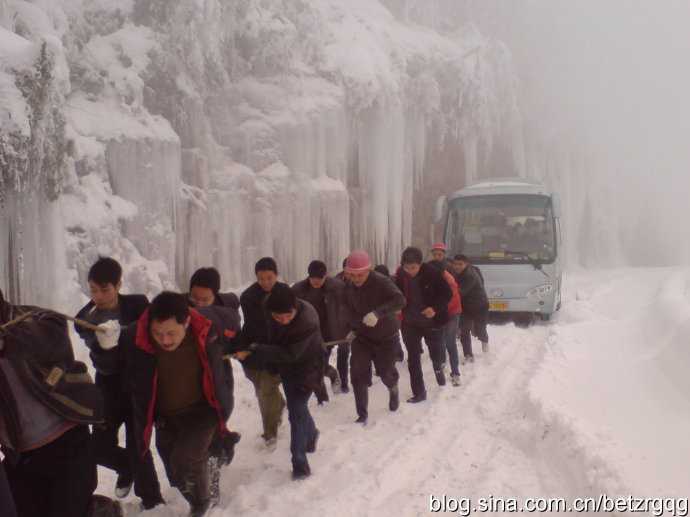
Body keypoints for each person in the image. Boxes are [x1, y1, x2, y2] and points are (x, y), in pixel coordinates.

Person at [0, 289, 122, 517]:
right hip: (21, 457)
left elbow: (54, 339)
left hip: (67, 443)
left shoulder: (29, 318)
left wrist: (10, 341)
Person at [123, 292, 233, 517]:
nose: (165, 340)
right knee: (175, 473)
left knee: (185, 459)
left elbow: (234, 319)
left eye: (171, 333)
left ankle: (203, 502)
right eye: (158, 333)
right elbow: (112, 364)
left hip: (202, 410)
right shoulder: (135, 337)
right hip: (166, 415)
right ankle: (209, 467)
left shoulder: (207, 329)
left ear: (187, 322)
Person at [74, 257, 162, 509]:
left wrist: (125, 331)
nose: (98, 296)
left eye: (105, 289)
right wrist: (106, 347)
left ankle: (153, 501)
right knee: (98, 447)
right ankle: (125, 466)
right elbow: (105, 364)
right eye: (93, 290)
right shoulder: (85, 319)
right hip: (108, 386)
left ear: (118, 285)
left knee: (139, 445)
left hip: (138, 384)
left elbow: (153, 335)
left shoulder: (138, 304)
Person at [234, 284, 322, 479]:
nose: (283, 321)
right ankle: (313, 432)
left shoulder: (307, 319)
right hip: (286, 366)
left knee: (296, 412)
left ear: (295, 307)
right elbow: (266, 334)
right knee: (297, 408)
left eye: (287, 316)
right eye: (278, 317)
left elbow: (291, 353)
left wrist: (257, 350)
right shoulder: (268, 306)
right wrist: (247, 348)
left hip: (308, 367)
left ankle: (299, 464)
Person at [186, 267, 242, 506]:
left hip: (218, 376)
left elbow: (235, 332)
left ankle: (212, 480)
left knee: (215, 419)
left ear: (215, 296)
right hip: (190, 379)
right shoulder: (180, 307)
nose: (198, 304)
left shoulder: (227, 312)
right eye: (194, 298)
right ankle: (222, 446)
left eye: (205, 300)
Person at [342, 250, 405, 424]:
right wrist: (353, 329)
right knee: (357, 373)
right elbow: (349, 310)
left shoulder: (382, 282)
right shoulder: (348, 286)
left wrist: (378, 313)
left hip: (386, 336)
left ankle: (392, 387)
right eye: (352, 275)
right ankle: (362, 414)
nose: (356, 279)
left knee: (385, 372)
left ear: (368, 270)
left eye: (360, 275)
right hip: (363, 337)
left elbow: (400, 300)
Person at [238, 258, 287, 447]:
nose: (265, 282)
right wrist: (251, 348)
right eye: (261, 278)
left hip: (281, 347)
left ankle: (271, 429)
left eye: (269, 278)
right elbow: (253, 325)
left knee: (267, 391)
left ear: (276, 275)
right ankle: (271, 428)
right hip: (257, 347)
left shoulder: (285, 292)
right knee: (265, 391)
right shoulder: (248, 297)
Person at [394, 247, 452, 402]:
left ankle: (438, 368)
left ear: (420, 264)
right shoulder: (400, 275)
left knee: (436, 353)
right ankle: (419, 393)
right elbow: (395, 293)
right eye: (407, 267)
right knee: (413, 358)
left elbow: (447, 293)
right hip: (410, 322)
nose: (410, 271)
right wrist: (396, 306)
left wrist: (434, 309)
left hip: (432, 321)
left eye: (413, 267)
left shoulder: (432, 273)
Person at [292, 260, 350, 397]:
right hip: (315, 332)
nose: (316, 282)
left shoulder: (338, 287)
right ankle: (324, 389)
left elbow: (349, 307)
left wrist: (350, 327)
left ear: (326, 275)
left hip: (338, 328)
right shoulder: (298, 290)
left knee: (343, 355)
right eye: (313, 279)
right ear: (308, 276)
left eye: (320, 279)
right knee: (318, 363)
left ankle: (343, 383)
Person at [427, 259, 463, 386]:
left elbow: (448, 302)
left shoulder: (449, 281)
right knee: (440, 340)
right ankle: (442, 362)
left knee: (450, 342)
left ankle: (455, 373)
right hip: (440, 313)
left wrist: (434, 309)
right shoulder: (435, 278)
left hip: (452, 313)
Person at [451, 254, 490, 360]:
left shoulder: (470, 275)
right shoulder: (455, 272)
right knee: (464, 330)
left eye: (460, 264)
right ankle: (468, 354)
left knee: (480, 329)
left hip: (480, 305)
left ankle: (484, 340)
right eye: (455, 264)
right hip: (465, 307)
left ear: (466, 264)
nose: (457, 266)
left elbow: (460, 292)